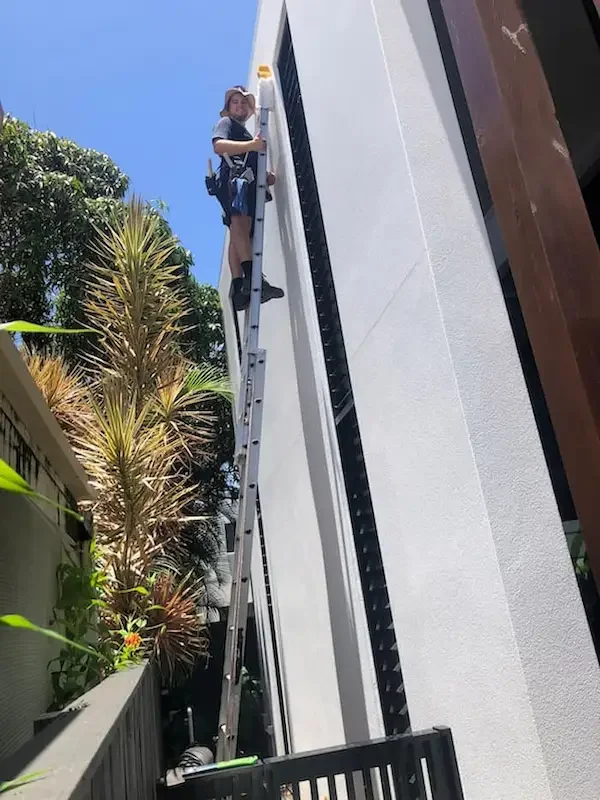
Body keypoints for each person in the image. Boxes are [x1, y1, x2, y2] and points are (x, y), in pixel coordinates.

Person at [211, 85, 284, 311]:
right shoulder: (227, 124)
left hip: (246, 184)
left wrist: (267, 176)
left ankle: (240, 285)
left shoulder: (242, 132)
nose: (240, 106)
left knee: (238, 232)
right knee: (240, 226)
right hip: (236, 182)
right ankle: (254, 281)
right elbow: (218, 146)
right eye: (235, 102)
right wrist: (252, 145)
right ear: (228, 107)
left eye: (243, 103)